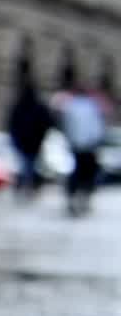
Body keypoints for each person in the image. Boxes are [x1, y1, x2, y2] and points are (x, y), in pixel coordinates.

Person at [54, 68, 105, 217]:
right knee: (87, 174)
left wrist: (70, 140)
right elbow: (97, 127)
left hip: (76, 146)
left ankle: (73, 197)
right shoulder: (92, 106)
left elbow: (66, 126)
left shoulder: (71, 106)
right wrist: (95, 141)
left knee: (76, 173)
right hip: (88, 146)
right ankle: (84, 197)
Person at [6, 68, 53, 200]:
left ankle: (25, 187)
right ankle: (28, 187)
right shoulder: (39, 106)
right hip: (34, 142)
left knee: (25, 165)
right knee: (29, 165)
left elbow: (11, 122)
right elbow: (47, 122)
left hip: (23, 141)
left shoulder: (19, 105)